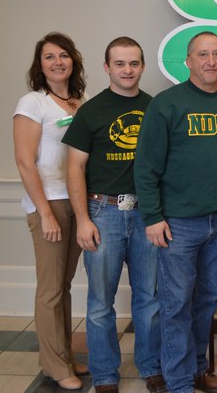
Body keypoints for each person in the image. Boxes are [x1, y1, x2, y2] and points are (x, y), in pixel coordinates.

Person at [134, 31, 217, 393]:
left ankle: (199, 370)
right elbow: (146, 166)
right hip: (178, 223)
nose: (210, 61)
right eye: (202, 54)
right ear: (188, 61)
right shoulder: (167, 104)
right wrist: (152, 217)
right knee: (176, 305)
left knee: (205, 304)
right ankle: (179, 381)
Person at [63, 37, 163, 393]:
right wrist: (83, 219)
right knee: (100, 302)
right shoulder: (90, 111)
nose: (127, 70)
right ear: (107, 67)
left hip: (145, 214)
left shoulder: (156, 107)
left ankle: (152, 367)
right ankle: (105, 374)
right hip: (102, 211)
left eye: (134, 63)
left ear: (142, 66)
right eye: (119, 64)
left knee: (149, 298)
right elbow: (74, 167)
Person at [13, 32, 88, 391]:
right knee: (50, 290)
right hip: (50, 203)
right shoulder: (33, 103)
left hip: (77, 201)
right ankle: (54, 365)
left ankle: (65, 354)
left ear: (73, 60)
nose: (58, 62)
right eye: (49, 57)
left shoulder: (79, 102)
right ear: (39, 65)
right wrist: (44, 212)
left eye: (63, 55)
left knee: (65, 286)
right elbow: (25, 163)